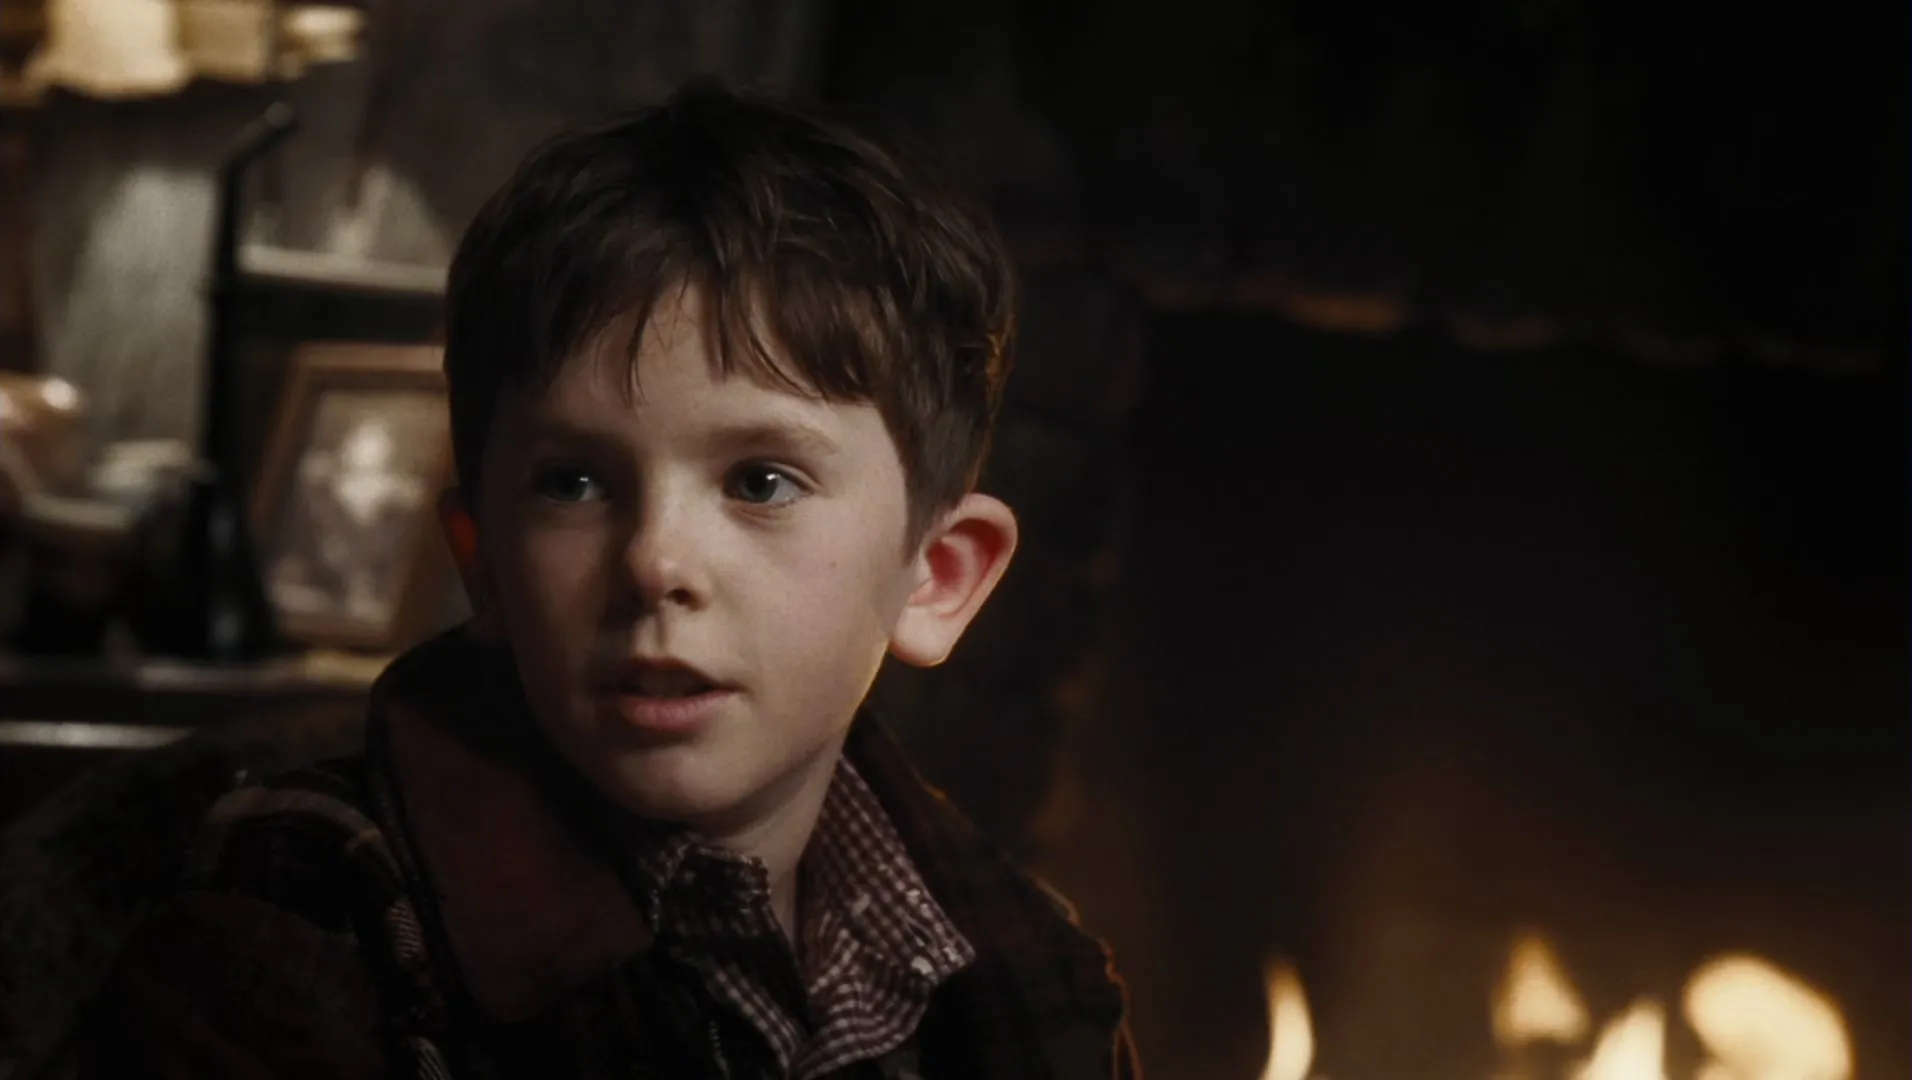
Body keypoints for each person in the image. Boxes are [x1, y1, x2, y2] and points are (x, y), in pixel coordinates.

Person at [82, 82, 1140, 1079]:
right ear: (483, 563)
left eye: (761, 481)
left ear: (937, 578)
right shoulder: (307, 904)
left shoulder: (1028, 978)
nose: (654, 562)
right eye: (574, 482)